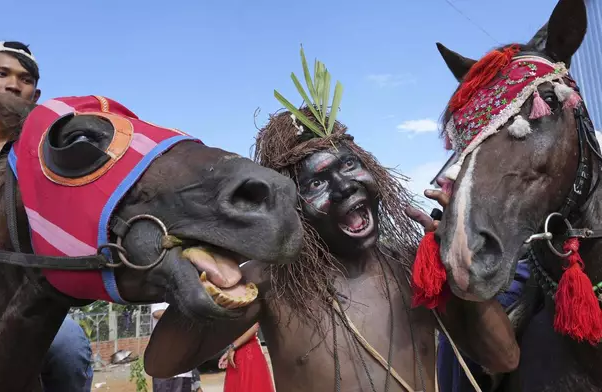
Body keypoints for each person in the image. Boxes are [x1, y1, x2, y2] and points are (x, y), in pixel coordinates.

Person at [145, 49, 520, 392]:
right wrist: (209, 278)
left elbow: (504, 359)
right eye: (318, 182)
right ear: (293, 206)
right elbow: (161, 362)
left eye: (350, 166)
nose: (343, 186)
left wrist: (460, 273)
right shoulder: (272, 281)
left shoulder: (416, 269)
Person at [0, 40, 93, 392]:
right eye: (1, 73)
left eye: (25, 79)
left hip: (27, 295)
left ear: (36, 94)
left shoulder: (46, 156)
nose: (14, 84)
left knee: (68, 349)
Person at [151, 303, 202, 392]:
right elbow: (157, 313)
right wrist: (186, 315)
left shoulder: (187, 297)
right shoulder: (162, 294)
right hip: (165, 369)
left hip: (184, 370)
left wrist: (196, 383)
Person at [218, 323, 274, 392]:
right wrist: (228, 352)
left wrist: (232, 347)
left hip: (250, 357)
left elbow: (254, 327)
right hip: (235, 356)